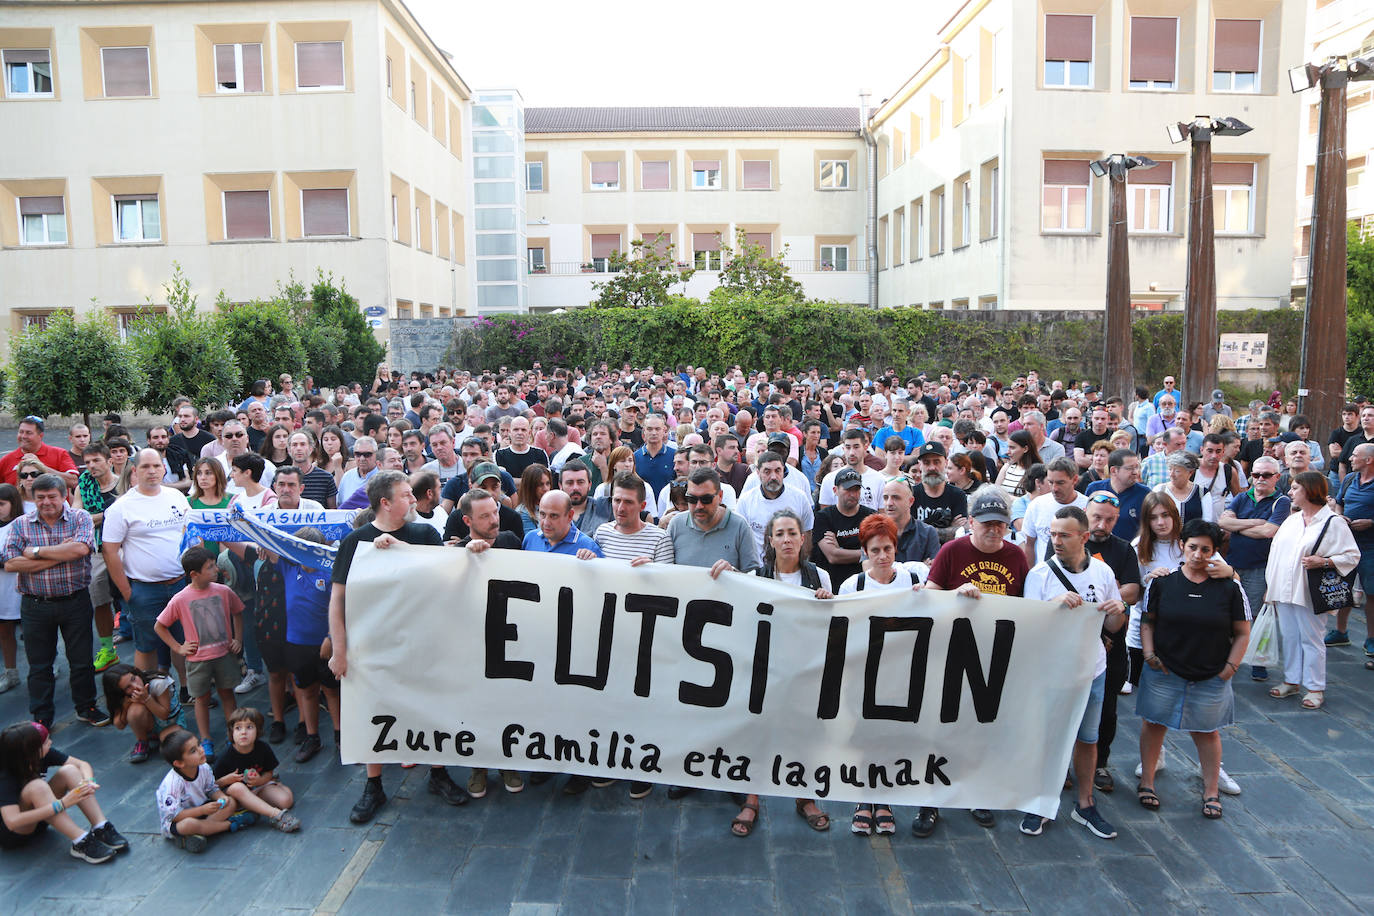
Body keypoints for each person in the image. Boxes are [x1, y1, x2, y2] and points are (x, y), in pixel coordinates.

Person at [329, 471, 466, 823]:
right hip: (373, 646)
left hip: (424, 641)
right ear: (385, 503)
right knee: (373, 711)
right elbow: (338, 598)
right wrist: (339, 650)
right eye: (406, 495)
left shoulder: (423, 533)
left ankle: (438, 773)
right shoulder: (356, 542)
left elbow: (444, 573)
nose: (413, 500)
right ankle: (373, 785)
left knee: (432, 706)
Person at [915, 489, 1028, 837]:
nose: (995, 531)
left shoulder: (1016, 556)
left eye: (1001, 525)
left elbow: (1026, 604)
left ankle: (976, 792)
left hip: (993, 653)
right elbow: (928, 594)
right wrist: (955, 594)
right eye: (987, 524)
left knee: (981, 725)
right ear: (972, 523)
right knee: (940, 726)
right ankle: (930, 800)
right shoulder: (953, 550)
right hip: (950, 650)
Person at [1018, 506, 1126, 841]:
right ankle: (1041, 801)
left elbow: (1113, 625)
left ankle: (1085, 803)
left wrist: (1118, 610)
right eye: (1052, 534)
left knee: (1088, 739)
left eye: (1064, 534)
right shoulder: (1039, 575)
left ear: (1083, 536)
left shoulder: (1103, 573)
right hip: (1052, 672)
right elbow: (1029, 628)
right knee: (1049, 738)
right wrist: (1055, 607)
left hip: (1091, 670)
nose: (1056, 540)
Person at [1136, 519, 1249, 820]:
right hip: (1165, 669)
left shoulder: (1229, 588)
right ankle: (1147, 781)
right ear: (1182, 547)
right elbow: (1148, 621)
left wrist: (1230, 668)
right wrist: (1149, 655)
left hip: (1211, 672)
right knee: (1154, 724)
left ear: (1215, 552)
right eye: (1193, 547)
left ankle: (1211, 790)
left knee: (1207, 731)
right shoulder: (1162, 582)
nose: (1198, 555)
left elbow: (1242, 631)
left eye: (1206, 549)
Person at [730, 509, 833, 837]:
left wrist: (828, 603)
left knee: (803, 733)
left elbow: (834, 627)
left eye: (793, 533)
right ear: (770, 541)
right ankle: (752, 797)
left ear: (803, 539)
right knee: (757, 732)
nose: (787, 539)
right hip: (765, 667)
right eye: (780, 534)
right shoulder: (756, 577)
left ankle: (804, 797)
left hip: (805, 669)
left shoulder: (819, 578)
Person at [1, 473, 108, 729]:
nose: (46, 502)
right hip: (35, 605)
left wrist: (35, 553)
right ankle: (41, 717)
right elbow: (12, 563)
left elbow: (81, 549)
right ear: (33, 498)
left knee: (81, 660)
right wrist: (62, 554)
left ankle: (87, 707)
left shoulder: (79, 517)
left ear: (64, 496)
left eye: (52, 496)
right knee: (40, 665)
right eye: (40, 498)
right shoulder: (20, 524)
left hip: (75, 601)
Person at [840, 514, 915, 837]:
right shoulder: (852, 585)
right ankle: (864, 798)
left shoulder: (912, 579)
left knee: (890, 737)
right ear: (865, 553)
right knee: (864, 736)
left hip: (900, 674)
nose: (883, 556)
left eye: (888, 548)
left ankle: (883, 798)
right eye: (875, 550)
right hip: (861, 672)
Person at [1265, 472, 1360, 710]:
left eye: (1295, 487)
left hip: (1310, 590)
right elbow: (1275, 553)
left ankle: (1315, 687)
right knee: (1289, 636)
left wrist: (1324, 562)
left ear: (1309, 490)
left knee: (1312, 638)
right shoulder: (1292, 520)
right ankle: (1291, 680)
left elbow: (1352, 555)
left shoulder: (1333, 522)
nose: (1290, 492)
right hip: (1285, 588)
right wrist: (1271, 587)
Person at [155, 546, 244, 763]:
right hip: (198, 660)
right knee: (201, 699)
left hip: (224, 654)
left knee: (227, 693)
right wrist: (178, 648)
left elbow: (238, 612)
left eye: (214, 565)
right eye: (210, 567)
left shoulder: (223, 591)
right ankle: (205, 739)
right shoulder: (181, 598)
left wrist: (238, 639)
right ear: (194, 574)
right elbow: (160, 626)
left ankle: (233, 733)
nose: (216, 570)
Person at [0, 721, 126, 863]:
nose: (51, 742)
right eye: (46, 742)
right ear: (32, 750)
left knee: (70, 770)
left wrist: (88, 781)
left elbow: (82, 764)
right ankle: (80, 841)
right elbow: (12, 821)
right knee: (37, 786)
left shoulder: (42, 754)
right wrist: (62, 804)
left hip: (42, 817)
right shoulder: (5, 775)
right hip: (16, 832)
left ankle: (100, 826)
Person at [155, 727, 296, 854]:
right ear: (179, 763)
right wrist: (202, 810)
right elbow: (175, 816)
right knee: (189, 825)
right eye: (193, 751)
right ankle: (232, 824)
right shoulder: (172, 784)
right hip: (182, 819)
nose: (201, 750)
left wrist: (221, 797)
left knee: (231, 803)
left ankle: (196, 835)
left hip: (205, 811)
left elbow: (211, 788)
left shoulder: (203, 767)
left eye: (198, 744)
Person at [1218, 456, 1288, 683]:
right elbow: (1223, 522)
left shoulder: (1282, 501)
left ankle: (1258, 660)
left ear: (1276, 477)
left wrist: (1239, 526)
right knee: (1231, 610)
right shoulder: (1241, 496)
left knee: (1255, 614)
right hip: (1234, 564)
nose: (1260, 479)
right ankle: (1231, 654)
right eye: (1256, 474)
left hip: (1261, 566)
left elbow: (1268, 532)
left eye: (1266, 475)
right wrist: (1257, 522)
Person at [212, 707, 299, 829]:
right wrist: (227, 780)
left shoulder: (262, 748)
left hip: (256, 789)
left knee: (286, 801)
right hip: (233, 798)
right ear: (231, 732)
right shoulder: (225, 756)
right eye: (238, 728)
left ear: (258, 731)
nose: (243, 732)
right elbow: (212, 785)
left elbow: (268, 772)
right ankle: (277, 815)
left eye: (249, 727)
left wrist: (260, 780)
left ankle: (265, 796)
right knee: (237, 788)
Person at [1332, 443, 1374, 654]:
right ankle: (1340, 632)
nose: (1349, 458)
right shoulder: (1349, 479)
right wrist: (1340, 516)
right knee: (1342, 588)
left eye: (1354, 455)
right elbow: (1339, 503)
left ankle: (1371, 638)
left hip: (1371, 546)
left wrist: (1371, 522)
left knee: (1372, 593)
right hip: (1347, 543)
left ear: (1368, 460)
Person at [103, 663, 187, 764]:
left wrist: (146, 699)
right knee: (135, 711)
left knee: (172, 744)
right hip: (150, 722)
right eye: (127, 687)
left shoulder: (158, 683)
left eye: (134, 679)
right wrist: (126, 704)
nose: (135, 686)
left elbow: (164, 715)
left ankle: (161, 734)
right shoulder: (123, 696)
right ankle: (142, 741)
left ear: (135, 672)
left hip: (169, 722)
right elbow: (119, 725)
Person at [736, 451, 814, 556]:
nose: (773, 477)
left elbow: (807, 533)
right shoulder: (746, 500)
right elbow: (740, 537)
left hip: (792, 565)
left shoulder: (800, 498)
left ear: (783, 472)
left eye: (778, 471)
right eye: (767, 471)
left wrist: (803, 564)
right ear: (758, 473)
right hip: (758, 567)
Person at [810, 468, 875, 588]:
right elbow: (833, 556)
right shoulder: (823, 517)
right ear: (835, 490)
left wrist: (841, 548)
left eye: (856, 489)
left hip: (861, 586)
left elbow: (877, 552)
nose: (853, 494)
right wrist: (866, 554)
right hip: (831, 586)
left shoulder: (871, 517)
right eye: (848, 489)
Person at [1022, 458, 1088, 562]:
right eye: (1050, 482)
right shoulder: (1037, 505)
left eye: (1060, 483)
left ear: (1074, 480)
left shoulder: (1088, 506)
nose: (1054, 488)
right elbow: (1029, 544)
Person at [0, 416, 77, 487]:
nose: (23, 436)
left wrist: (40, 467)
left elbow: (73, 481)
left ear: (40, 435)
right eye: (21, 432)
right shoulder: (7, 460)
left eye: (28, 433)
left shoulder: (59, 454)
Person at [0, 486, 23, 692]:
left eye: (1, 504)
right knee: (5, 631)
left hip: (20, 587)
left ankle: (47, 667)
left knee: (33, 632)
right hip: (2, 590)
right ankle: (11, 672)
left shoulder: (21, 524)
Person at [1152, 452, 1207, 523]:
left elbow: (1207, 521)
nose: (1172, 474)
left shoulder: (1202, 492)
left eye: (1177, 471)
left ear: (1190, 472)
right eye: (1170, 469)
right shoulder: (1159, 490)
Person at [995, 430, 1040, 497]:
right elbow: (995, 491)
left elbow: (1031, 500)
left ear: (1025, 449)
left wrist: (1005, 498)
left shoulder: (1036, 471)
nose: (1008, 452)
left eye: (1012, 448)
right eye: (1008, 447)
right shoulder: (1007, 467)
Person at [515, 464, 553, 536]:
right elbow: (533, 540)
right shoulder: (523, 512)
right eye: (540, 485)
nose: (546, 489)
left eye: (548, 483)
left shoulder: (556, 506)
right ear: (530, 487)